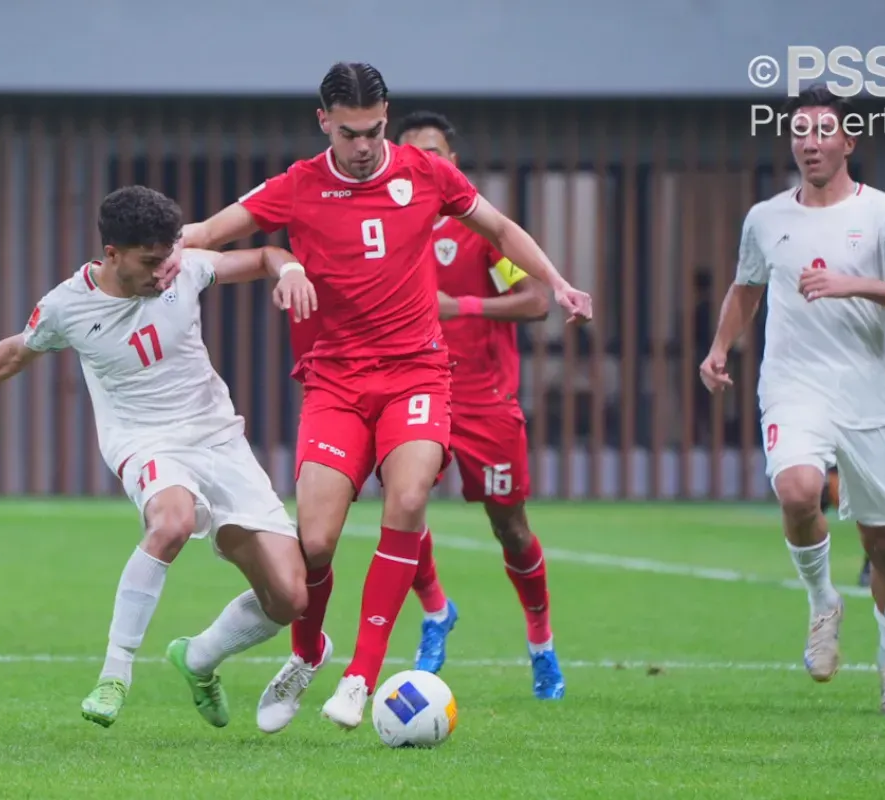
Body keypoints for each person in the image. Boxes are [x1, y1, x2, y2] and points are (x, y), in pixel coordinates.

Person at [178, 62, 592, 732]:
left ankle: (362, 675)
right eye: (350, 133)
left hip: (416, 374)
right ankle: (308, 654)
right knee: (313, 543)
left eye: (374, 130)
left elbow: (502, 230)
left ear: (386, 117)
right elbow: (206, 233)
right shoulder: (298, 184)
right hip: (335, 381)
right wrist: (132, 263)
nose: (365, 145)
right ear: (324, 124)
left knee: (407, 499)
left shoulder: (427, 173)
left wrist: (561, 283)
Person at [0, 186, 319, 729]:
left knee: (288, 599)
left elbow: (261, 256)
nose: (164, 271)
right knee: (172, 521)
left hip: (219, 438)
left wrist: (291, 272)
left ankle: (199, 657)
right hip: (145, 441)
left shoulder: (183, 268)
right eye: (150, 261)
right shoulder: (67, 306)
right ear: (112, 253)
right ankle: (115, 674)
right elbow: (15, 352)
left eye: (169, 256)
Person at [699, 86, 885, 716]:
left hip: (867, 390)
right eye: (800, 131)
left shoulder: (884, 216)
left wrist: (854, 285)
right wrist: (719, 348)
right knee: (797, 489)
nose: (809, 142)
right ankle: (822, 602)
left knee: (884, 545)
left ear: (848, 142)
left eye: (822, 131)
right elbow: (745, 289)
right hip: (793, 383)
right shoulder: (765, 218)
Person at [393, 110, 564, 700]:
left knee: (510, 527)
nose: (427, 165)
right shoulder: (388, 228)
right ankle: (436, 611)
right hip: (417, 394)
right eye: (415, 156)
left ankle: (541, 643)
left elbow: (538, 302)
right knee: (403, 506)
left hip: (486, 403)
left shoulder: (483, 231)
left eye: (436, 154)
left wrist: (459, 306)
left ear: (453, 163)